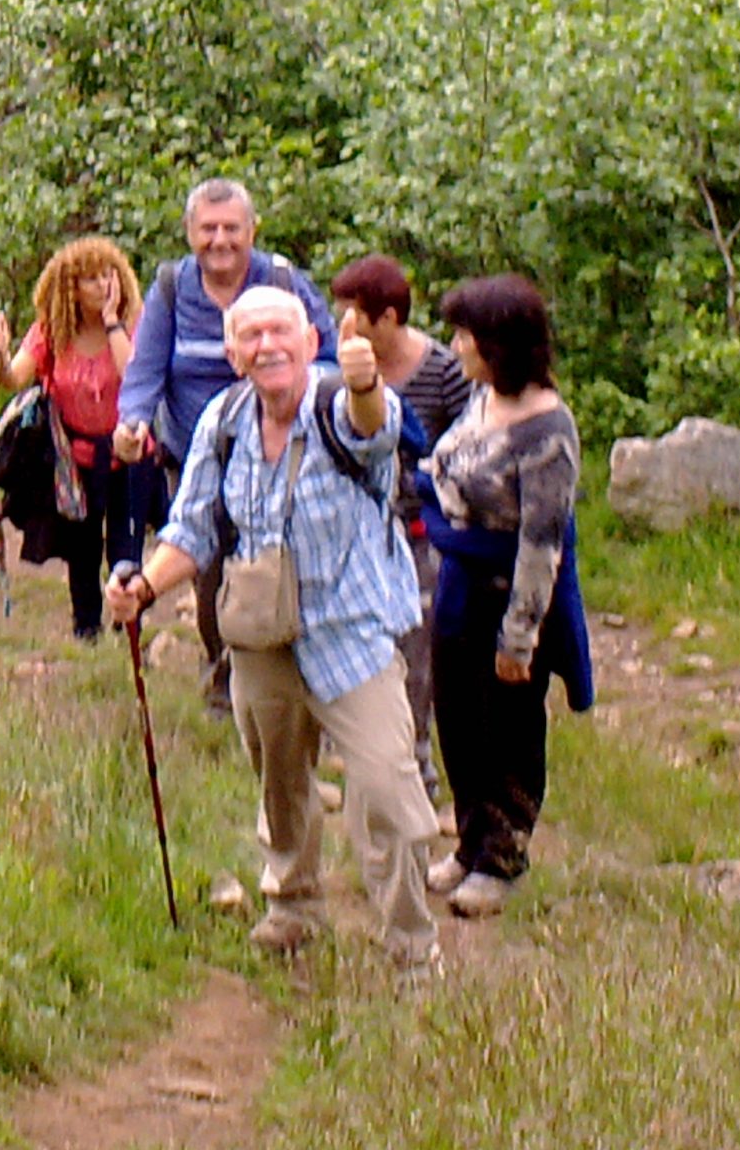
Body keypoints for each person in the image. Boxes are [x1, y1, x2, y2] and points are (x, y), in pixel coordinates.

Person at [106, 287, 438, 968]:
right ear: (233, 354)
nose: (267, 346)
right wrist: (143, 585)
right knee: (280, 785)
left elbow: (372, 429)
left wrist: (366, 379)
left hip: (353, 636)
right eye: (250, 336)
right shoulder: (223, 421)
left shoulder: (335, 404)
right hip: (261, 636)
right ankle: (293, 906)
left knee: (385, 789)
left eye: (280, 331)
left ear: (309, 342)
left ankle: (409, 943)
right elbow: (191, 526)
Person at [114, 179, 339, 712]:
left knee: (290, 563)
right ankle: (223, 678)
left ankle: (306, 678)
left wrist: (293, 397)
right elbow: (146, 370)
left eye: (231, 229)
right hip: (198, 458)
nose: (220, 240)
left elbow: (326, 355)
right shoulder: (171, 287)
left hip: (283, 453)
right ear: (190, 233)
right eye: (208, 229)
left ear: (251, 231)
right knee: (208, 572)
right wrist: (133, 423)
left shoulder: (283, 281)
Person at [423, 274, 594, 920]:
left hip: (514, 598)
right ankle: (470, 842)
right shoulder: (480, 397)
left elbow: (541, 539)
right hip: (461, 586)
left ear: (501, 342)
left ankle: (503, 857)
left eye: (466, 335)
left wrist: (518, 637)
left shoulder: (549, 429)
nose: (456, 345)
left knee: (510, 732)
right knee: (460, 723)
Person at [328, 254, 471, 799]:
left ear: (386, 318)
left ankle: (418, 771)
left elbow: (467, 450)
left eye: (354, 315)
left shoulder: (443, 371)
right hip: (349, 534)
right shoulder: (335, 368)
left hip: (418, 533)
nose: (345, 327)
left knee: (417, 657)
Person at [0, 238, 158, 641]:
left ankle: (130, 630)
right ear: (71, 288)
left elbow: (137, 378)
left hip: (131, 455)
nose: (101, 285)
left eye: (106, 275)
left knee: (126, 547)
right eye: (90, 279)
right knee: (82, 550)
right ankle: (86, 630)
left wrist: (113, 322)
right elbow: (15, 378)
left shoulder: (136, 322)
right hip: (74, 460)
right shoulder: (52, 329)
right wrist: (1, 353)